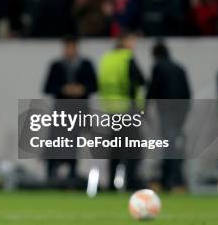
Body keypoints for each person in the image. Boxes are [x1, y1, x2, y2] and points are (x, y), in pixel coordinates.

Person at [43, 35, 97, 182]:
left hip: (78, 110)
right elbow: (48, 87)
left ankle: (72, 174)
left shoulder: (86, 64)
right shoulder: (56, 65)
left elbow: (94, 85)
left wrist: (81, 89)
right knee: (56, 142)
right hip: (61, 110)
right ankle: (52, 173)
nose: (69, 50)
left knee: (74, 143)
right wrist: (64, 89)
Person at [97, 31, 145, 190]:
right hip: (127, 109)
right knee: (133, 149)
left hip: (110, 110)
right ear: (125, 41)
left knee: (114, 150)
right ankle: (130, 183)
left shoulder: (107, 59)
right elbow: (140, 81)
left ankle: (111, 184)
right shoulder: (127, 57)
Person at [146, 42, 191, 191]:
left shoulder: (158, 67)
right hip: (180, 112)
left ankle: (175, 182)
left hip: (167, 112)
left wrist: (144, 110)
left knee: (169, 147)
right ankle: (168, 181)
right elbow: (187, 93)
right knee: (172, 146)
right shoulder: (179, 68)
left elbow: (152, 89)